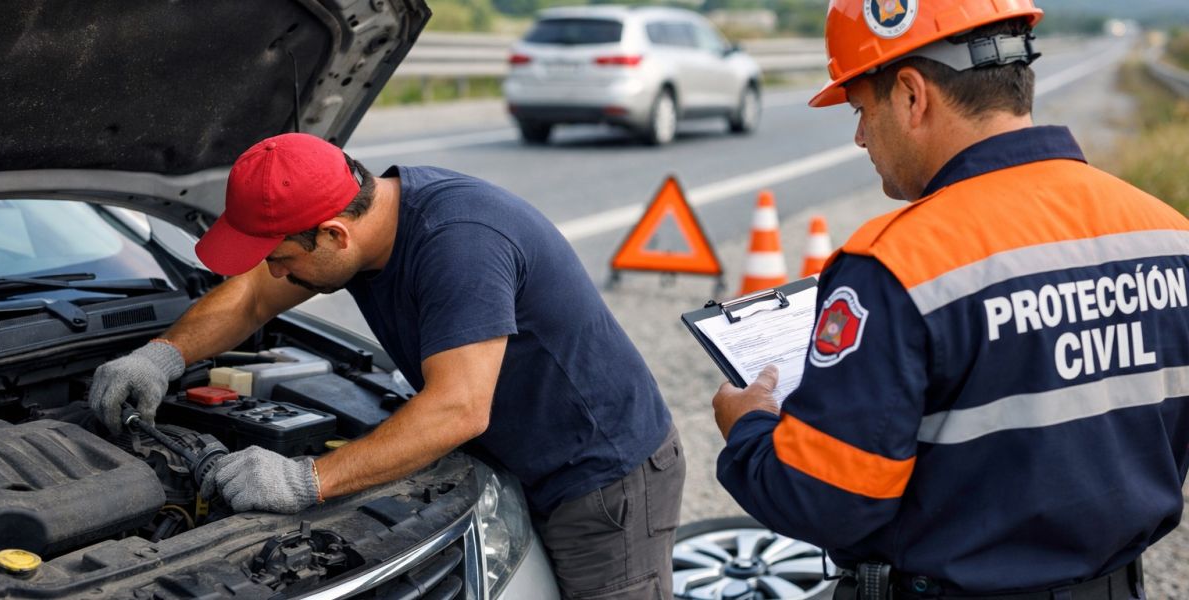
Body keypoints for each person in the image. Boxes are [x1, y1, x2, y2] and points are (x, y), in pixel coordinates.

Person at [711, 1, 1189, 598]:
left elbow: (825, 502)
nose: (860, 136)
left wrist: (749, 428)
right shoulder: (1167, 232)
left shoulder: (895, 265)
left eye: (861, 109)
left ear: (912, 95)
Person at [88, 133, 685, 599]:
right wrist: (161, 355)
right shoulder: (371, 226)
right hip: (516, 454)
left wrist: (306, 480)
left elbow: (458, 408)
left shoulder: (459, 245)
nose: (273, 273)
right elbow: (250, 298)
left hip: (598, 480)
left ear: (334, 235)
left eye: (280, 257)